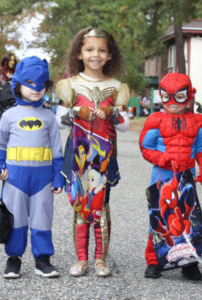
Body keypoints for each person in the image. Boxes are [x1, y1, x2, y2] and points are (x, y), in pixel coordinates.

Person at [56, 27, 130, 277]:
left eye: (101, 50)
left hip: (104, 158)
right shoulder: (70, 85)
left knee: (102, 206)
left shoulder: (117, 86)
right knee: (80, 206)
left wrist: (112, 113)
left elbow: (126, 126)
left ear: (110, 55)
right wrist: (77, 112)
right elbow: (59, 121)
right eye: (89, 49)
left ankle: (101, 259)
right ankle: (81, 259)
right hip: (78, 156)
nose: (95, 55)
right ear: (79, 53)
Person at [0, 56, 64, 279]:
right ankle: (14, 259)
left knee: (43, 220)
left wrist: (58, 178)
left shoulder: (49, 117)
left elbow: (57, 151)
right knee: (16, 219)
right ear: (18, 84)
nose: (36, 89)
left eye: (41, 84)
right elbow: (0, 144)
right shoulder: (9, 116)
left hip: (43, 180)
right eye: (30, 83)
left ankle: (43, 260)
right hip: (14, 178)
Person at [139, 73, 202, 281]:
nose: (172, 103)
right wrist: (162, 157)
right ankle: (153, 261)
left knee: (189, 217)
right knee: (159, 219)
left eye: (178, 97)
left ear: (189, 95)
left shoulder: (198, 122)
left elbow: (201, 150)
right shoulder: (155, 120)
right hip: (161, 175)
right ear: (161, 96)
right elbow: (145, 148)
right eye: (166, 96)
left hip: (186, 176)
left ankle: (189, 263)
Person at [0, 53, 17, 126]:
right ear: (6, 61)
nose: (12, 62)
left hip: (14, 97)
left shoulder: (16, 72)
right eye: (10, 60)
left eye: (13, 60)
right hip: (2, 99)